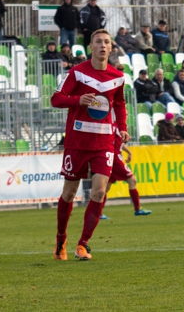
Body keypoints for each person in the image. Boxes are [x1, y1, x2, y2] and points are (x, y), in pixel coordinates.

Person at [50, 28, 127, 261]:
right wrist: (76, 100)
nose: (103, 45)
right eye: (98, 42)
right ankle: (61, 238)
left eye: (107, 42)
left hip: (104, 142)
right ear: (90, 47)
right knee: (69, 193)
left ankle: (82, 244)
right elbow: (56, 99)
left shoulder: (117, 77)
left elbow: (120, 104)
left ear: (111, 48)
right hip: (77, 142)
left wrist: (122, 127)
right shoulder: (77, 73)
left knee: (100, 191)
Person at [102, 128, 152, 217]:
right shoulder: (116, 127)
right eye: (125, 113)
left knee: (106, 188)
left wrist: (129, 152)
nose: (126, 115)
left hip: (111, 159)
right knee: (132, 180)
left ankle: (97, 213)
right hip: (115, 160)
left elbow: (119, 143)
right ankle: (137, 209)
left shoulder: (118, 128)